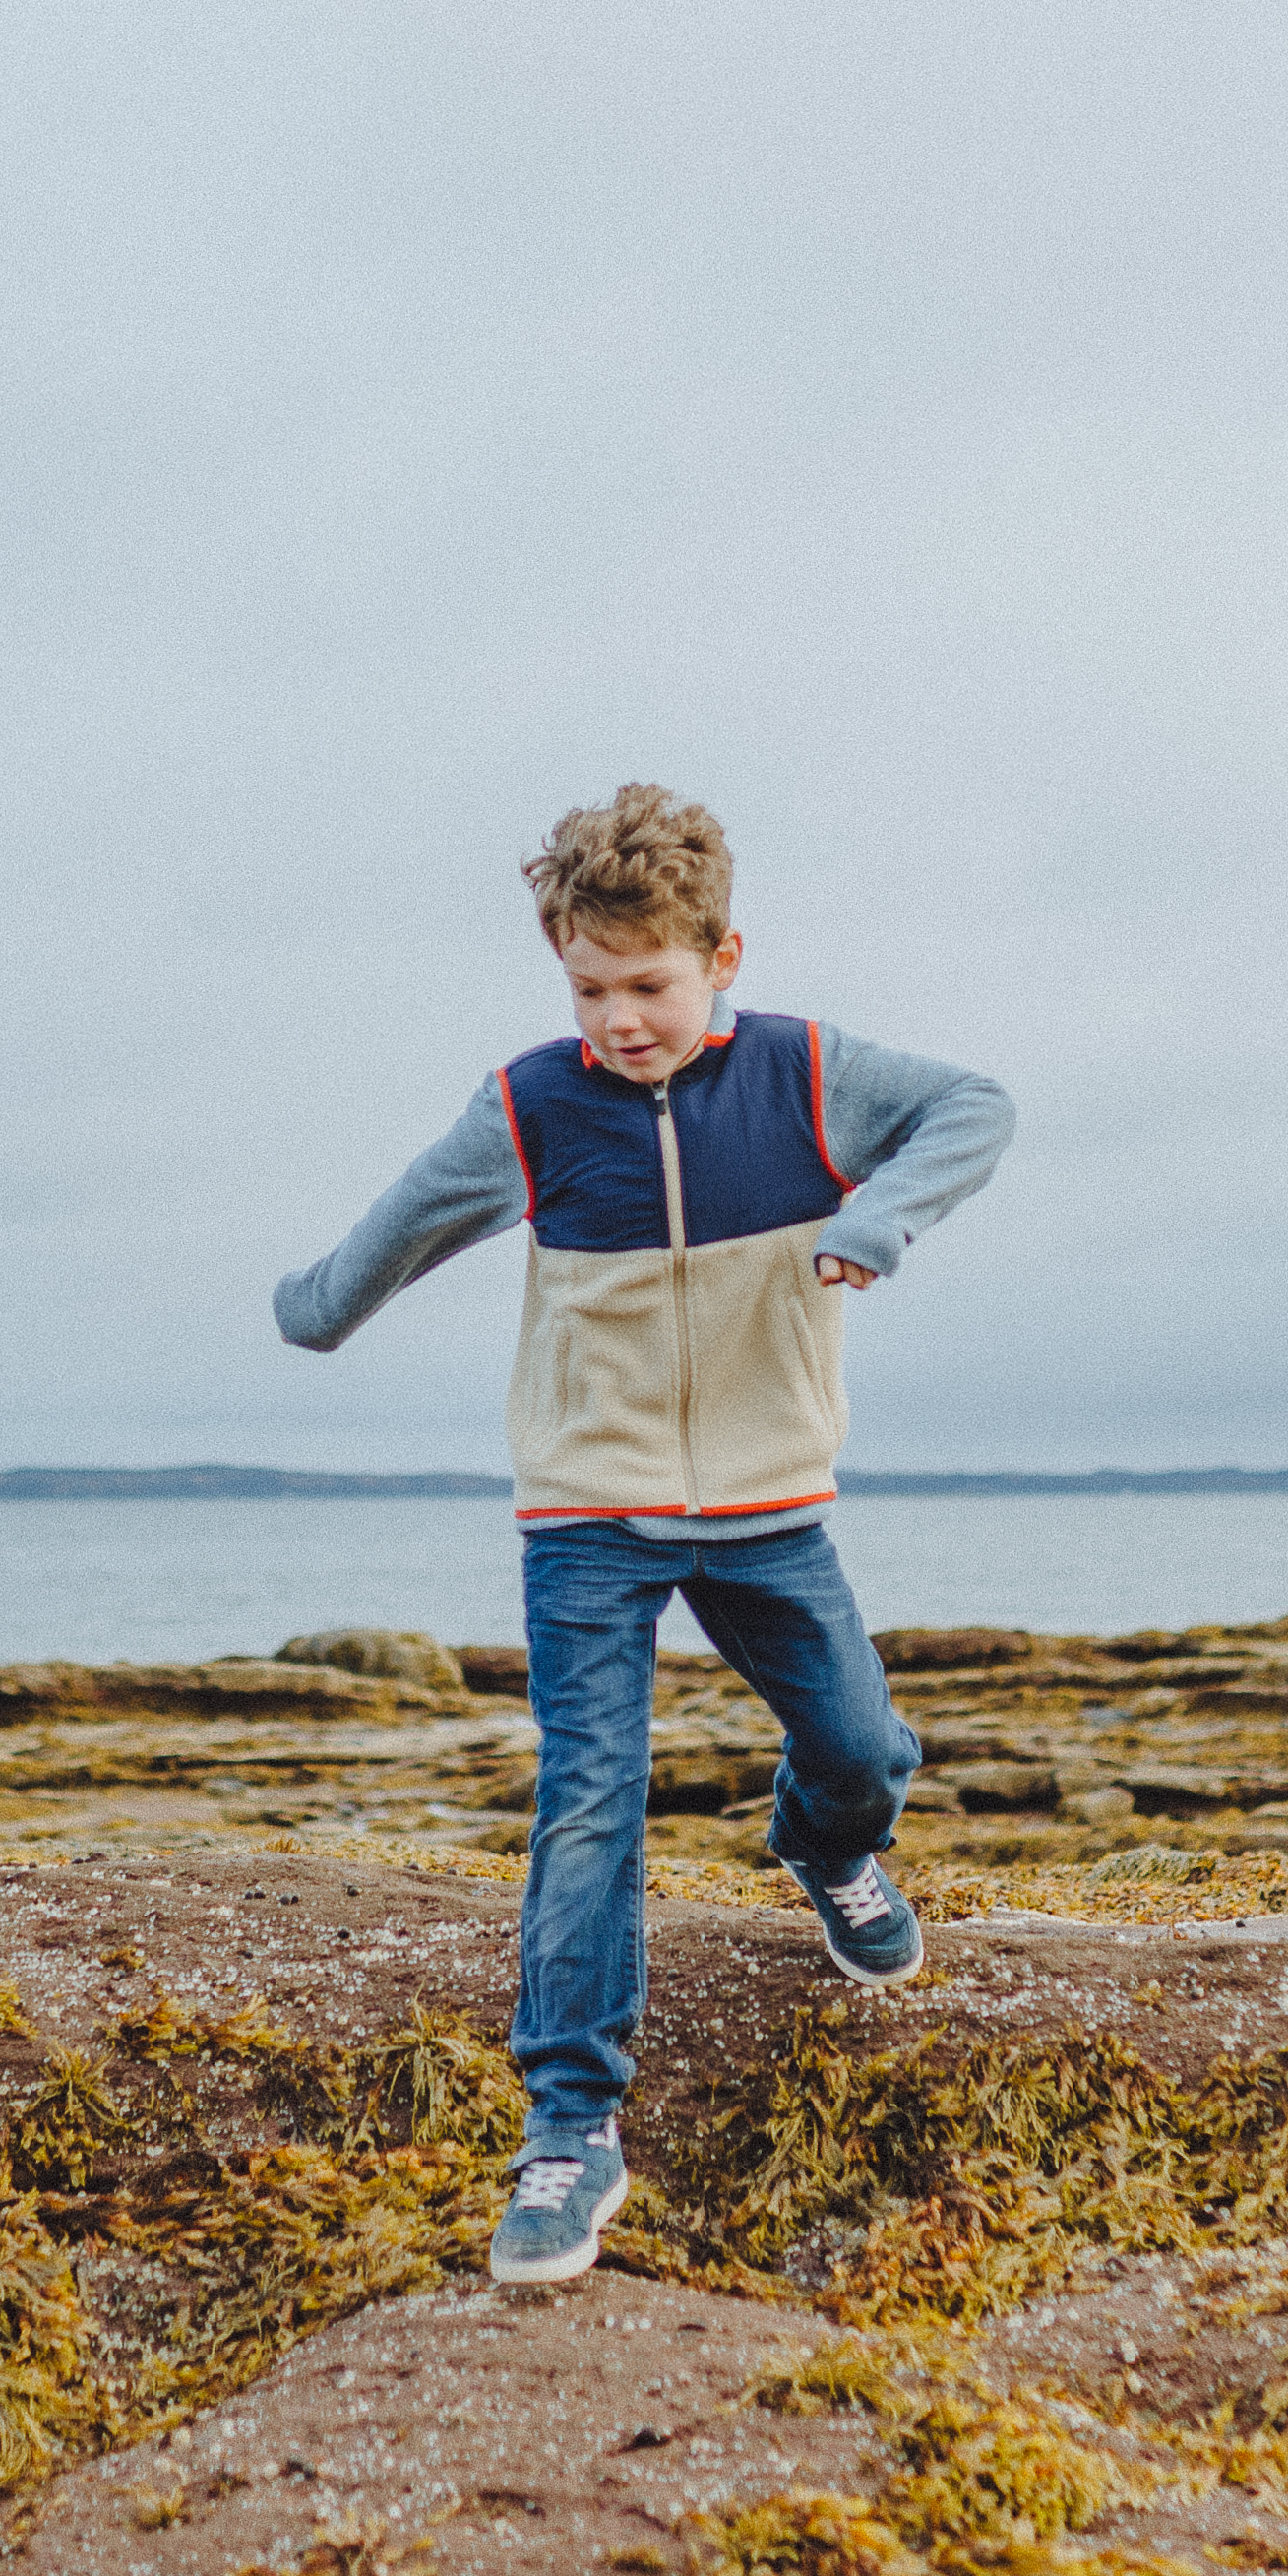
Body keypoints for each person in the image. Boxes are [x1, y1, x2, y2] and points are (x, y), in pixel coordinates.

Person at [273, 783, 1012, 2285]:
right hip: (588, 1510)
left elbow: (973, 1108)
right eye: (589, 987)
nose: (618, 1017)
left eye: (649, 984)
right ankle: (569, 2126)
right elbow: (404, 1224)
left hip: (765, 1505)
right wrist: (320, 1305)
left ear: (721, 955)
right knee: (590, 1796)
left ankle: (822, 1847)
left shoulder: (809, 1077)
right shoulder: (532, 1105)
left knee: (864, 1749)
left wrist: (879, 1222)